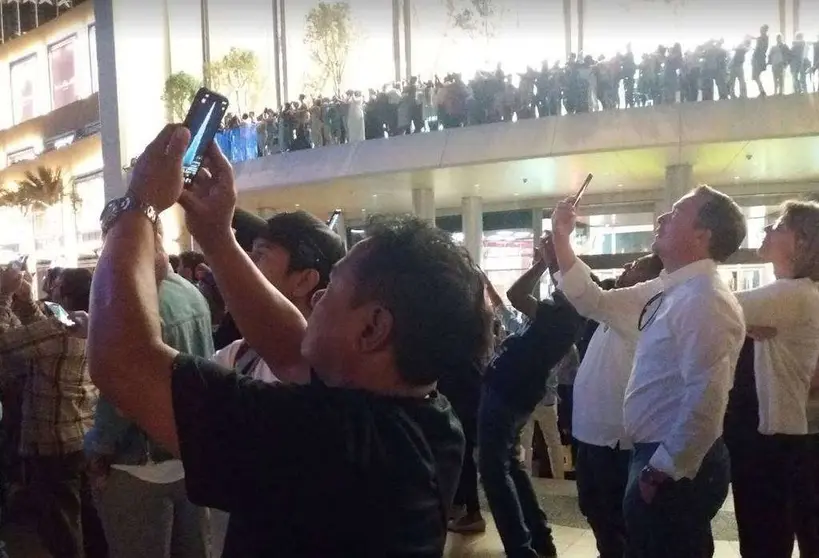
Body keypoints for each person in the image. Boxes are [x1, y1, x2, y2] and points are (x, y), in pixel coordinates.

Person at [86, 125, 492, 557]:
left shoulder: (329, 441)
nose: (317, 297)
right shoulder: (422, 416)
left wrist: (137, 207)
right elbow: (292, 349)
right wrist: (216, 236)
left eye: (333, 287)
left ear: (372, 329)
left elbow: (123, 362)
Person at [552, 185, 747, 558]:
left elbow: (706, 397)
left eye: (675, 213)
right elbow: (595, 301)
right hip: (655, 455)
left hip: (671, 461)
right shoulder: (669, 289)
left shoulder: (705, 298)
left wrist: (663, 468)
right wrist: (562, 236)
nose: (662, 218)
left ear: (702, 235)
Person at [85, 224, 213, 558]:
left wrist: (99, 451)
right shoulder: (191, 292)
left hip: (137, 463)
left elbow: (123, 397)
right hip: (188, 456)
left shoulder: (136, 307)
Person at [478, 235, 585, 558]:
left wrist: (544, 261)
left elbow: (515, 294)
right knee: (510, 465)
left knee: (495, 471)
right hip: (517, 390)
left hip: (507, 388)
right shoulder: (563, 316)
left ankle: (522, 547)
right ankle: (539, 539)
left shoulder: (563, 313)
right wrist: (549, 261)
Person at [723, 200, 819, 558]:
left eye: (778, 226)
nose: (767, 230)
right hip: (771, 438)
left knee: (764, 539)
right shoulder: (789, 294)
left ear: (803, 243)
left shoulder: (793, 293)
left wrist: (742, 322)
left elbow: (711, 305)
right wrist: (747, 325)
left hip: (771, 441)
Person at [567, 253, 663, 558]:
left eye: (635, 267)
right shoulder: (618, 311)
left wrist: (560, 245)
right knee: (594, 506)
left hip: (614, 439)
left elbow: (588, 294)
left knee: (614, 515)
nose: (626, 268)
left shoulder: (640, 310)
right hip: (593, 433)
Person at [0, 267, 98, 558]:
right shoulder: (86, 322)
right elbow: (45, 323)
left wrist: (3, 294)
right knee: (90, 521)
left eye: (55, 287)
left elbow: (5, 343)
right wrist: (27, 300)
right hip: (84, 433)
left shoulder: (59, 329)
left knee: (61, 527)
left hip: (52, 442)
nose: (50, 290)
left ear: (64, 295)